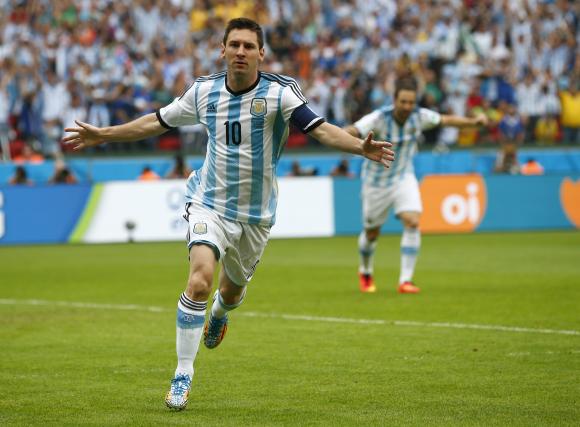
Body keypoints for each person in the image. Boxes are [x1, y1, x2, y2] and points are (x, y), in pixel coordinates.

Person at [63, 18, 394, 411]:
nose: (240, 51)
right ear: (222, 50)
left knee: (230, 293)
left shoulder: (280, 93)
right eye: (234, 44)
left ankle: (220, 313)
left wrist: (359, 147)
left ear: (261, 54)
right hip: (209, 203)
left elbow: (319, 129)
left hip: (255, 216)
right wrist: (103, 134)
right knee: (199, 281)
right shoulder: (203, 91)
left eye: (248, 46)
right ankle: (183, 373)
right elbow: (156, 121)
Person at [344, 77, 487, 294]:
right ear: (394, 100)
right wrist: (341, 137)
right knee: (372, 233)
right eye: (403, 102)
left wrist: (473, 123)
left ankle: (406, 281)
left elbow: (446, 120)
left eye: (411, 102)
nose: (407, 106)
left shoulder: (420, 116)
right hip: (376, 183)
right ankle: (365, 271)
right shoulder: (378, 118)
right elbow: (353, 130)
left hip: (404, 177)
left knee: (412, 221)